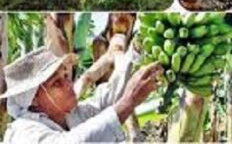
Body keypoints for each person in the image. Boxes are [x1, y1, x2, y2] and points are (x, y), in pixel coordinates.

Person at [0, 46, 163, 143]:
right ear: (33, 99)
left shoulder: (72, 115)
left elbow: (106, 99)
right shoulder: (22, 133)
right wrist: (128, 101)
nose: (69, 84)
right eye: (57, 83)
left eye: (65, 76)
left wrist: (133, 53)